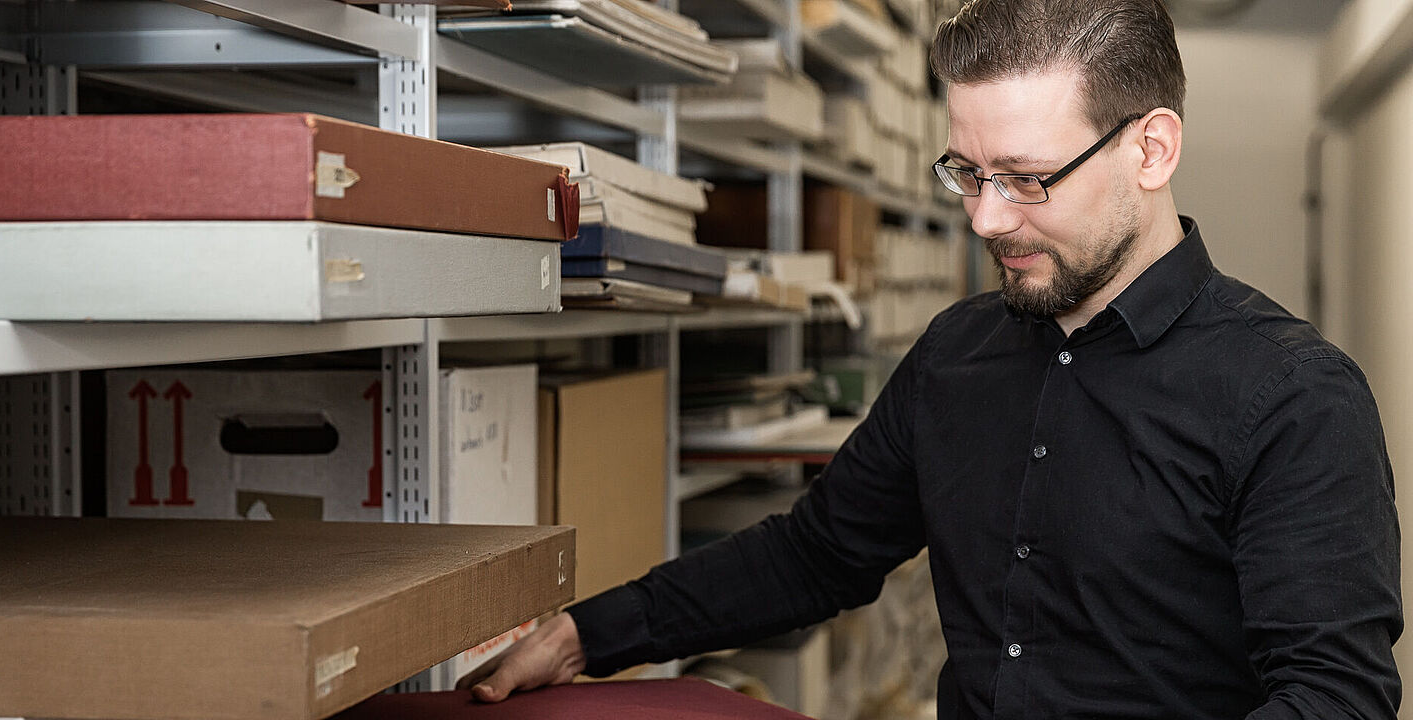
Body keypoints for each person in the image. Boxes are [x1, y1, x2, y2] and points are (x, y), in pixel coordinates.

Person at [458, 1, 1403, 717]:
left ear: (1151, 149)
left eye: (1029, 179)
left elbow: (1333, 697)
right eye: (967, 174)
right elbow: (819, 554)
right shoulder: (959, 353)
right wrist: (591, 633)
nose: (987, 219)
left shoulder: (1292, 397)